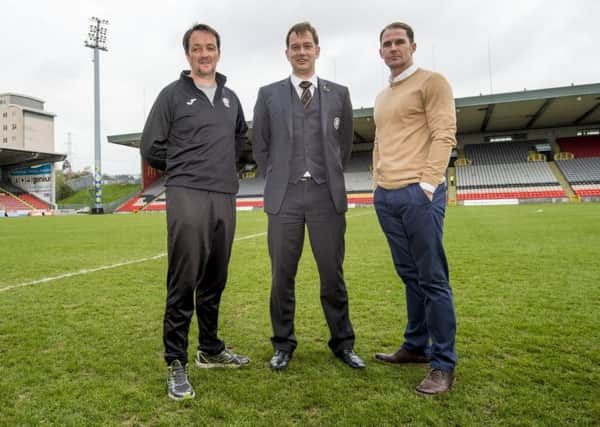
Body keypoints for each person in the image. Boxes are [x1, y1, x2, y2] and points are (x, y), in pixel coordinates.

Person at [140, 23, 250, 401]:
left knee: (216, 277)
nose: (205, 54)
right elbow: (150, 145)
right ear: (187, 54)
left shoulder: (231, 98)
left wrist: (221, 166)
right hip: (186, 193)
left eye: (211, 48)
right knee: (184, 278)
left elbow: (239, 138)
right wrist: (186, 164)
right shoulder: (171, 95)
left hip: (224, 194)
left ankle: (211, 349)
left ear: (218, 51)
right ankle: (176, 360)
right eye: (197, 48)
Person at [252, 22, 365, 371]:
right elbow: (261, 146)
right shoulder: (268, 94)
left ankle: (343, 343)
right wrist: (281, 177)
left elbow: (343, 144)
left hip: (324, 195)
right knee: (281, 276)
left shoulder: (339, 93)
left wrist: (322, 173)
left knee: (332, 274)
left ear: (317, 49)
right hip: (284, 197)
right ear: (286, 52)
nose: (301, 51)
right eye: (294, 46)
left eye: (307, 45)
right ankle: (283, 344)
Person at [372, 22, 457, 395]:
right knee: (409, 275)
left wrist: (428, 182)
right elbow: (381, 141)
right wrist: (377, 181)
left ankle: (443, 364)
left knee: (432, 278)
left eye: (399, 42)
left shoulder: (432, 81)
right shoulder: (381, 95)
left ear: (412, 46)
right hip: (387, 194)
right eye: (386, 44)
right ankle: (414, 346)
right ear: (380, 52)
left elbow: (444, 133)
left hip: (418, 193)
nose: (393, 48)